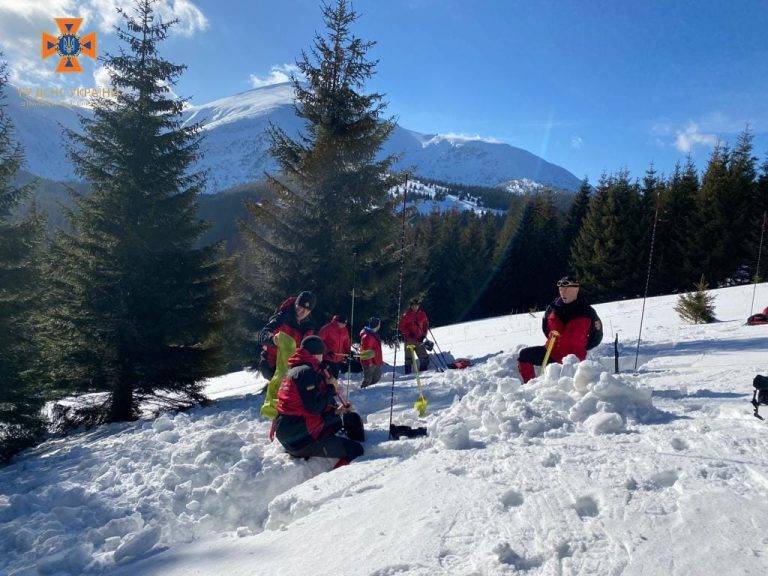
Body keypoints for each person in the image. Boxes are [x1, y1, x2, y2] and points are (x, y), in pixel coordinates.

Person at [273, 336, 364, 469]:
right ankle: (336, 476)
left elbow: (307, 404)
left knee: (345, 420)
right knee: (356, 450)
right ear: (317, 353)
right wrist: (332, 387)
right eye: (322, 354)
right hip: (300, 439)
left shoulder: (295, 370)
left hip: (292, 430)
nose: (323, 358)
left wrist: (335, 410)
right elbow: (314, 407)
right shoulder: (306, 372)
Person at [517, 275, 602, 383]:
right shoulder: (552, 308)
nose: (563, 292)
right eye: (561, 290)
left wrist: (580, 345)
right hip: (552, 353)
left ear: (576, 289)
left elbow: (597, 337)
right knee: (525, 355)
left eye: (566, 289)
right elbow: (546, 328)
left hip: (573, 360)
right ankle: (531, 385)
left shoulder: (587, 311)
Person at [258, 291, 317, 381]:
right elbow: (263, 333)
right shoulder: (282, 317)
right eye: (300, 307)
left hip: (293, 364)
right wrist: (273, 339)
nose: (302, 312)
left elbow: (309, 348)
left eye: (307, 310)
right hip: (272, 363)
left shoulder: (309, 326)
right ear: (296, 304)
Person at [398, 298, 430, 374]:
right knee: (408, 359)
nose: (415, 307)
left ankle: (423, 373)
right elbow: (401, 326)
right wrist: (408, 333)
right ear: (411, 306)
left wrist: (424, 335)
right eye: (413, 306)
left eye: (416, 305)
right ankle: (408, 375)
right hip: (409, 340)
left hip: (419, 339)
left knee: (424, 358)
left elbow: (426, 325)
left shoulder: (422, 314)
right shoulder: (406, 315)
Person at [360, 317, 384, 388]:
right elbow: (366, 351)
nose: (380, 325)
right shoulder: (368, 336)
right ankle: (362, 391)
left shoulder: (373, 334)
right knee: (368, 379)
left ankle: (370, 392)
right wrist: (368, 363)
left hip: (375, 360)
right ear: (376, 325)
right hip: (370, 362)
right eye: (379, 324)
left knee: (376, 377)